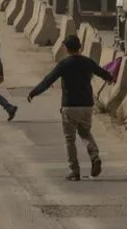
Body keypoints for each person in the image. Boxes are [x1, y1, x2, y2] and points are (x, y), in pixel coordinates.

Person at [28, 34, 116, 181]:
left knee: (70, 139)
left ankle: (74, 171)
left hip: (70, 106)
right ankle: (94, 156)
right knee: (85, 133)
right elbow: (102, 72)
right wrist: (110, 78)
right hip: (87, 105)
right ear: (79, 47)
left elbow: (48, 80)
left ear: (66, 49)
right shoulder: (88, 62)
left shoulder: (64, 64)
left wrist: (34, 92)